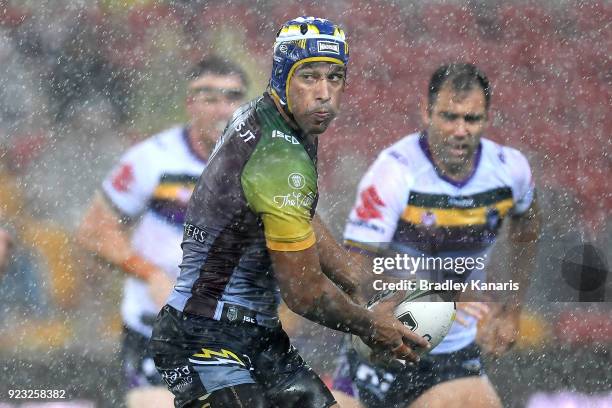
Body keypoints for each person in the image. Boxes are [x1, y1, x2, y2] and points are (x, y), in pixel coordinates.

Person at [148, 16, 429, 408]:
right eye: (309, 77)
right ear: (281, 76)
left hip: (257, 335)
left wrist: (353, 278)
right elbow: (305, 293)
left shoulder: (269, 117)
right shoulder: (280, 157)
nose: (324, 93)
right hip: (205, 337)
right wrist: (371, 325)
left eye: (335, 77)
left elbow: (298, 212)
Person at [331, 63, 541, 408]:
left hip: (454, 350)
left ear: (487, 118)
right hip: (389, 340)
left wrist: (512, 310)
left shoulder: (510, 171)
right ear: (425, 112)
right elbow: (356, 268)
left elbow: (528, 226)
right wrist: (432, 297)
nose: (460, 130)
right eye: (449, 117)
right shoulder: (393, 172)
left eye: (471, 119)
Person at [76, 56, 249, 408]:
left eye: (231, 97)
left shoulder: (265, 165)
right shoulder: (151, 159)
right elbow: (93, 231)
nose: (222, 108)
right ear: (190, 103)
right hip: (156, 329)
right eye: (209, 98)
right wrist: (151, 274)